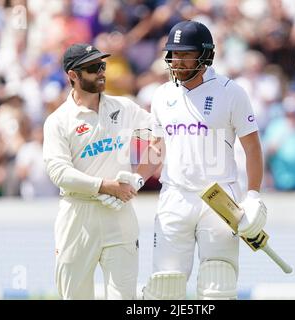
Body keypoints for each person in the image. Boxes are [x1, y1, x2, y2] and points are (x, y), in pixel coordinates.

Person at [133, 20, 267, 299]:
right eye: (173, 54)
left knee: (217, 285)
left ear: (205, 55)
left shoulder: (231, 92)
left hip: (219, 199)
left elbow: (252, 148)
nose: (177, 61)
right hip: (174, 196)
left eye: (185, 53)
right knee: (165, 286)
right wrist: (134, 179)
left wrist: (253, 196)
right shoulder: (162, 95)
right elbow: (158, 147)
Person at [43, 43, 150, 300]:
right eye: (92, 68)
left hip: (119, 215)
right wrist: (105, 186)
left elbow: (159, 134)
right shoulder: (59, 121)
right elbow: (58, 172)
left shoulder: (125, 108)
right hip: (78, 218)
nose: (101, 73)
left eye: (102, 66)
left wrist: (140, 178)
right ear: (73, 75)